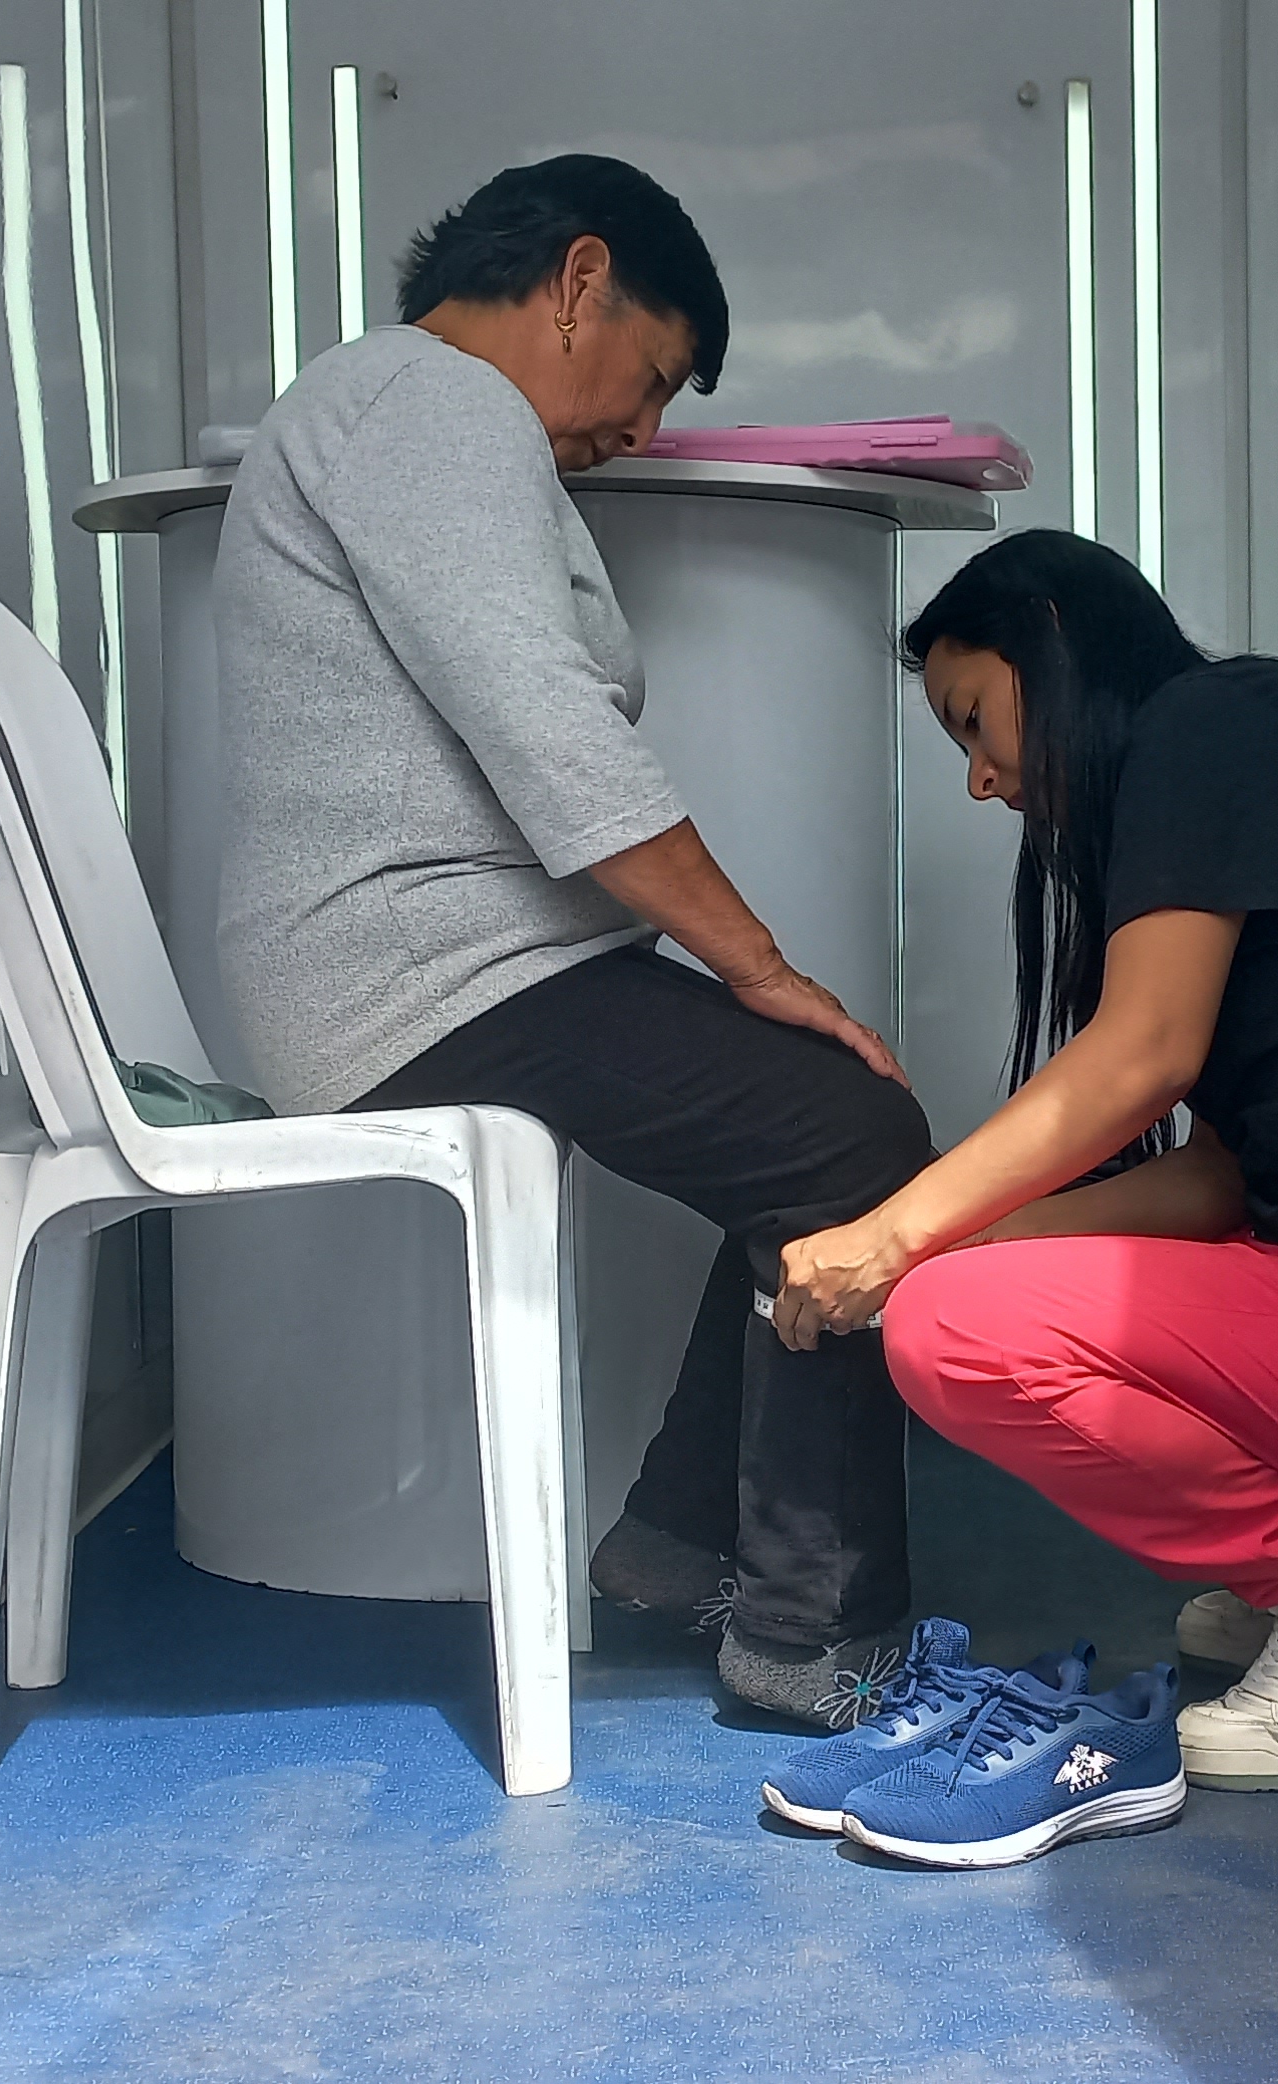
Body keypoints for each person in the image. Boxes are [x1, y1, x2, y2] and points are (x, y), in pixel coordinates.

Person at [212, 155, 935, 1721]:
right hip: (416, 975)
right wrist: (760, 967)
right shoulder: (431, 400)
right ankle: (809, 1637)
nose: (645, 431)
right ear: (579, 281)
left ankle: (685, 1551)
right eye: (653, 376)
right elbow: (546, 729)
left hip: (433, 964)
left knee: (826, 1129)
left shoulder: (397, 410)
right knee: (848, 1134)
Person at [772, 531, 1278, 1792]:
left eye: (974, 718)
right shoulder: (1232, 752)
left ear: (1051, 632)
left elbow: (1141, 1054)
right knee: (953, 1292)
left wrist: (895, 1240)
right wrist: (959, 1240)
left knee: (949, 1333)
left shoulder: (1208, 722)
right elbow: (1216, 1179)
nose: (980, 779)